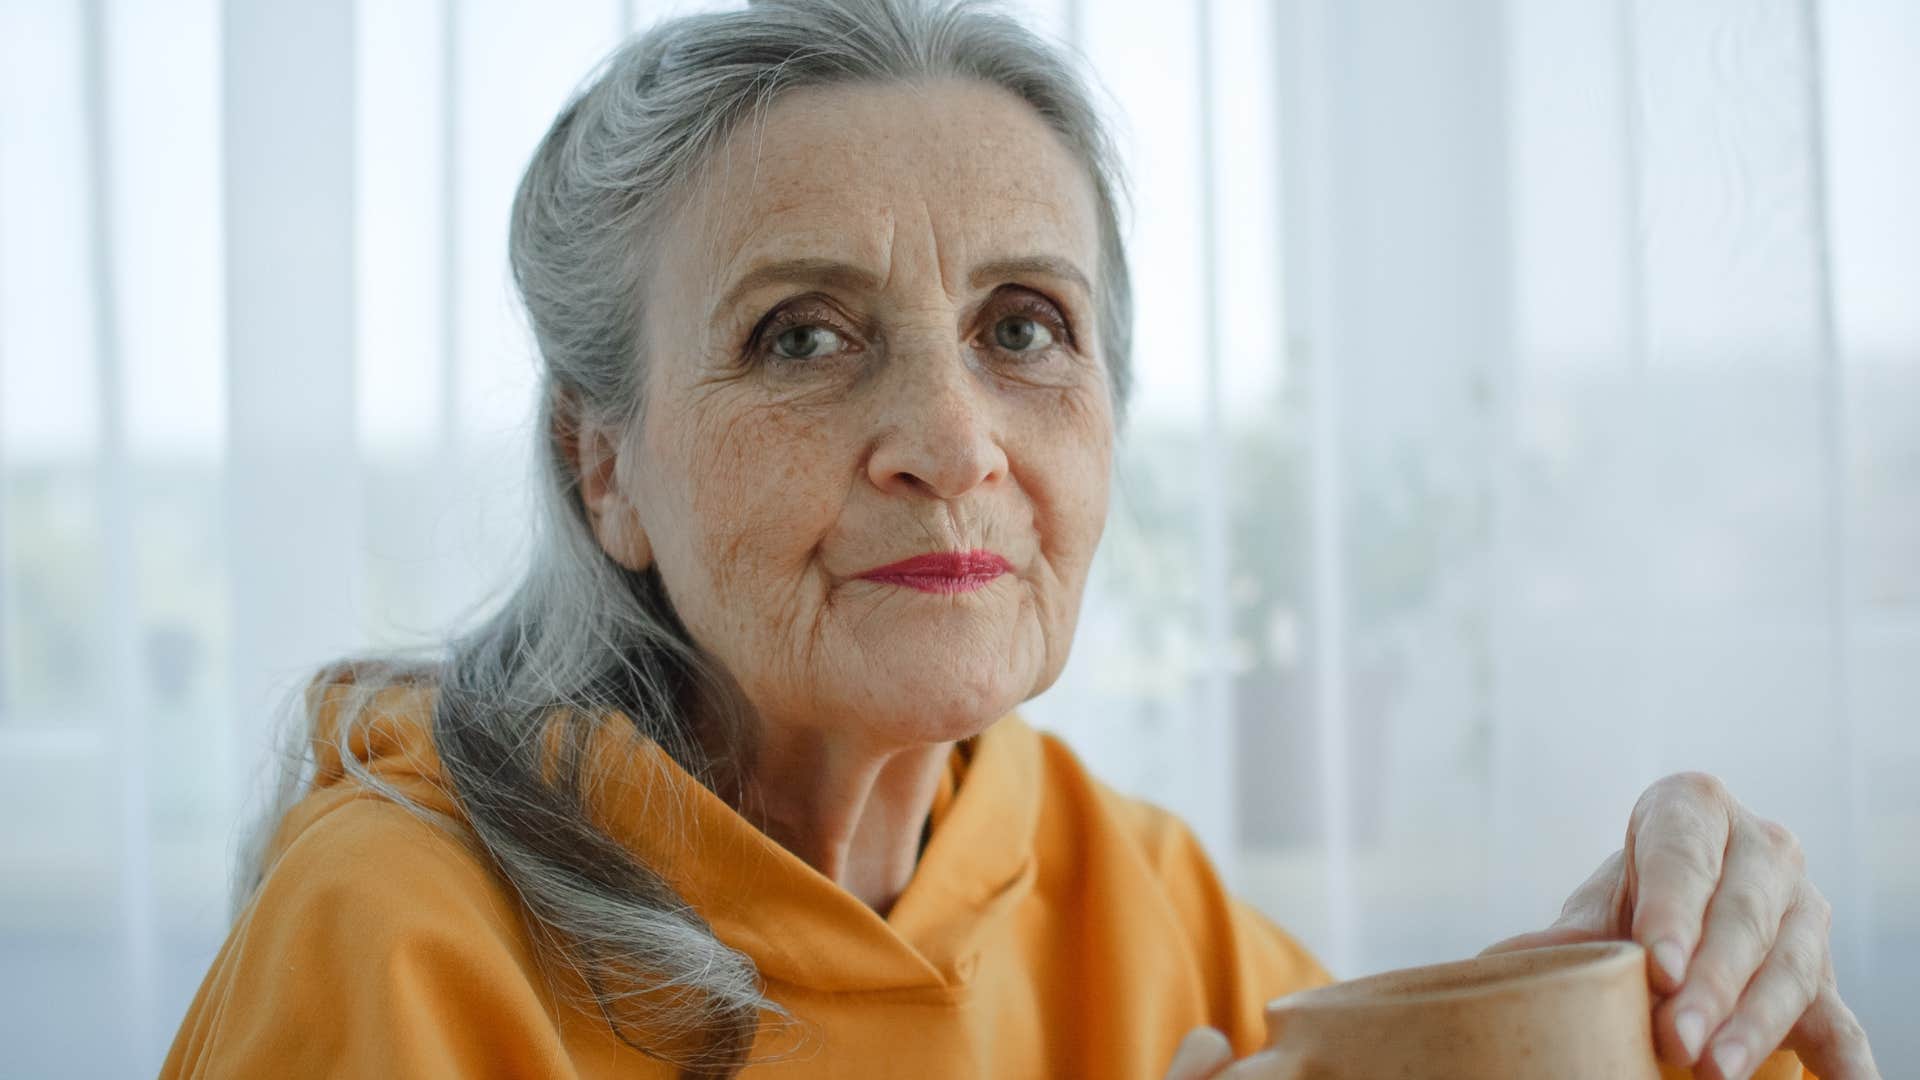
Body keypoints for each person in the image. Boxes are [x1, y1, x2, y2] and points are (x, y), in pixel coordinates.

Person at [160, 1, 1878, 1077]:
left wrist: (1643, 1016)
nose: (953, 442)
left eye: (1026, 326)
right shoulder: (393, 939)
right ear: (599, 465)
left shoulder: (1133, 888)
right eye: (803, 337)